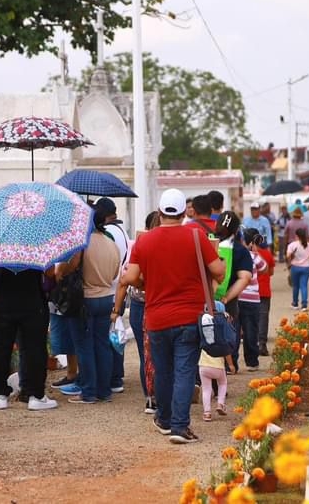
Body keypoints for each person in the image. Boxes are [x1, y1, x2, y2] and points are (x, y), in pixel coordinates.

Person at [122, 188, 225, 444]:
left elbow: (131, 277)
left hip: (156, 317)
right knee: (183, 371)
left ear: (159, 212)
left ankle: (165, 419)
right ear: (183, 213)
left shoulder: (144, 241)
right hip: (189, 317)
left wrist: (150, 283)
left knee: (163, 371)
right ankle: (179, 426)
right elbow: (219, 273)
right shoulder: (196, 236)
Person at [59, 209, 121, 404]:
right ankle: (104, 390)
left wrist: (62, 270)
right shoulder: (111, 244)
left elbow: (68, 267)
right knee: (102, 345)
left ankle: (88, 391)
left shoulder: (81, 244)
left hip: (85, 299)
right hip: (106, 298)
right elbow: (113, 275)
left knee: (84, 346)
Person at [0, 261, 57, 411]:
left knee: (2, 349)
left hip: (3, 301)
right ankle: (36, 395)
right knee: (36, 348)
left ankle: (0, 396)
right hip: (32, 301)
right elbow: (50, 272)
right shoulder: (36, 243)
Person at [111, 211, 161, 414]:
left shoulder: (138, 246)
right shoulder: (167, 246)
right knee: (164, 354)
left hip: (140, 305)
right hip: (161, 303)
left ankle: (150, 396)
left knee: (145, 354)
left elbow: (124, 281)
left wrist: (116, 310)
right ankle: (164, 395)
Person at [94, 197, 130, 394]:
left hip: (109, 289)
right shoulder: (122, 231)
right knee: (114, 334)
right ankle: (116, 376)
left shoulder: (109, 233)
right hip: (119, 289)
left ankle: (112, 379)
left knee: (106, 337)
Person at [214, 211, 253, 373]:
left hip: (204, 299)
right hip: (227, 302)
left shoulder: (208, 242)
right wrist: (227, 297)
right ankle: (230, 364)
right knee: (229, 332)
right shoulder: (240, 250)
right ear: (237, 230)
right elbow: (245, 277)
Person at [199, 301, 235, 422]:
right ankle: (220, 404)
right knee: (223, 383)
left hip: (203, 365)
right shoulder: (221, 334)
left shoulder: (203, 328)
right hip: (218, 366)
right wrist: (230, 364)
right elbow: (226, 352)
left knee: (206, 389)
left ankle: (207, 413)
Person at [237, 228, 267, 372]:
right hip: (252, 300)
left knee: (235, 332)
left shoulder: (236, 254)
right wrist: (255, 251)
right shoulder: (254, 256)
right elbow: (264, 268)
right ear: (251, 243)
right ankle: (252, 362)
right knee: (251, 331)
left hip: (237, 297)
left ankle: (231, 363)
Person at [287, 228, 309, 311]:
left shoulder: (292, 245)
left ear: (296, 235)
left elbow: (288, 256)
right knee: (304, 286)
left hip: (295, 267)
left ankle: (295, 303)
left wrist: (289, 265)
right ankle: (304, 305)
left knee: (295, 286)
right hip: (306, 268)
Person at [256, 233, 275, 357]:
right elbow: (271, 272)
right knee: (263, 317)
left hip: (250, 291)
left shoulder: (248, 254)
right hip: (264, 291)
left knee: (251, 319)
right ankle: (262, 343)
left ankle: (251, 343)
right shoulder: (267, 254)